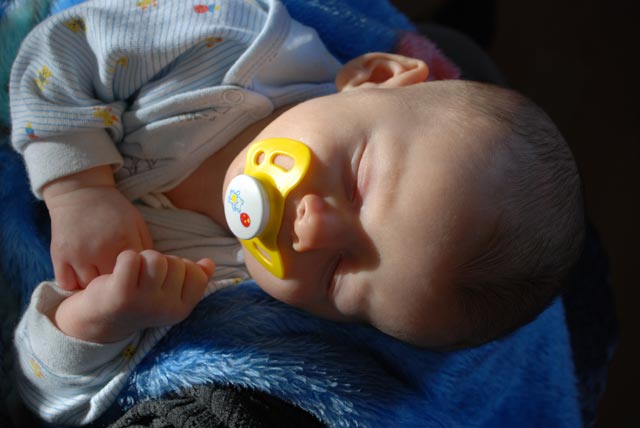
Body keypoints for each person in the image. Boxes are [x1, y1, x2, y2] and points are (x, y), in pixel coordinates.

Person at [9, 0, 584, 423]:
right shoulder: (231, 44)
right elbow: (62, 48)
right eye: (356, 184)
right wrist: (78, 189)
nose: (311, 230)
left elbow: (47, 395)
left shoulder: (212, 294)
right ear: (374, 78)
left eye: (337, 274)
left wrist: (98, 320)